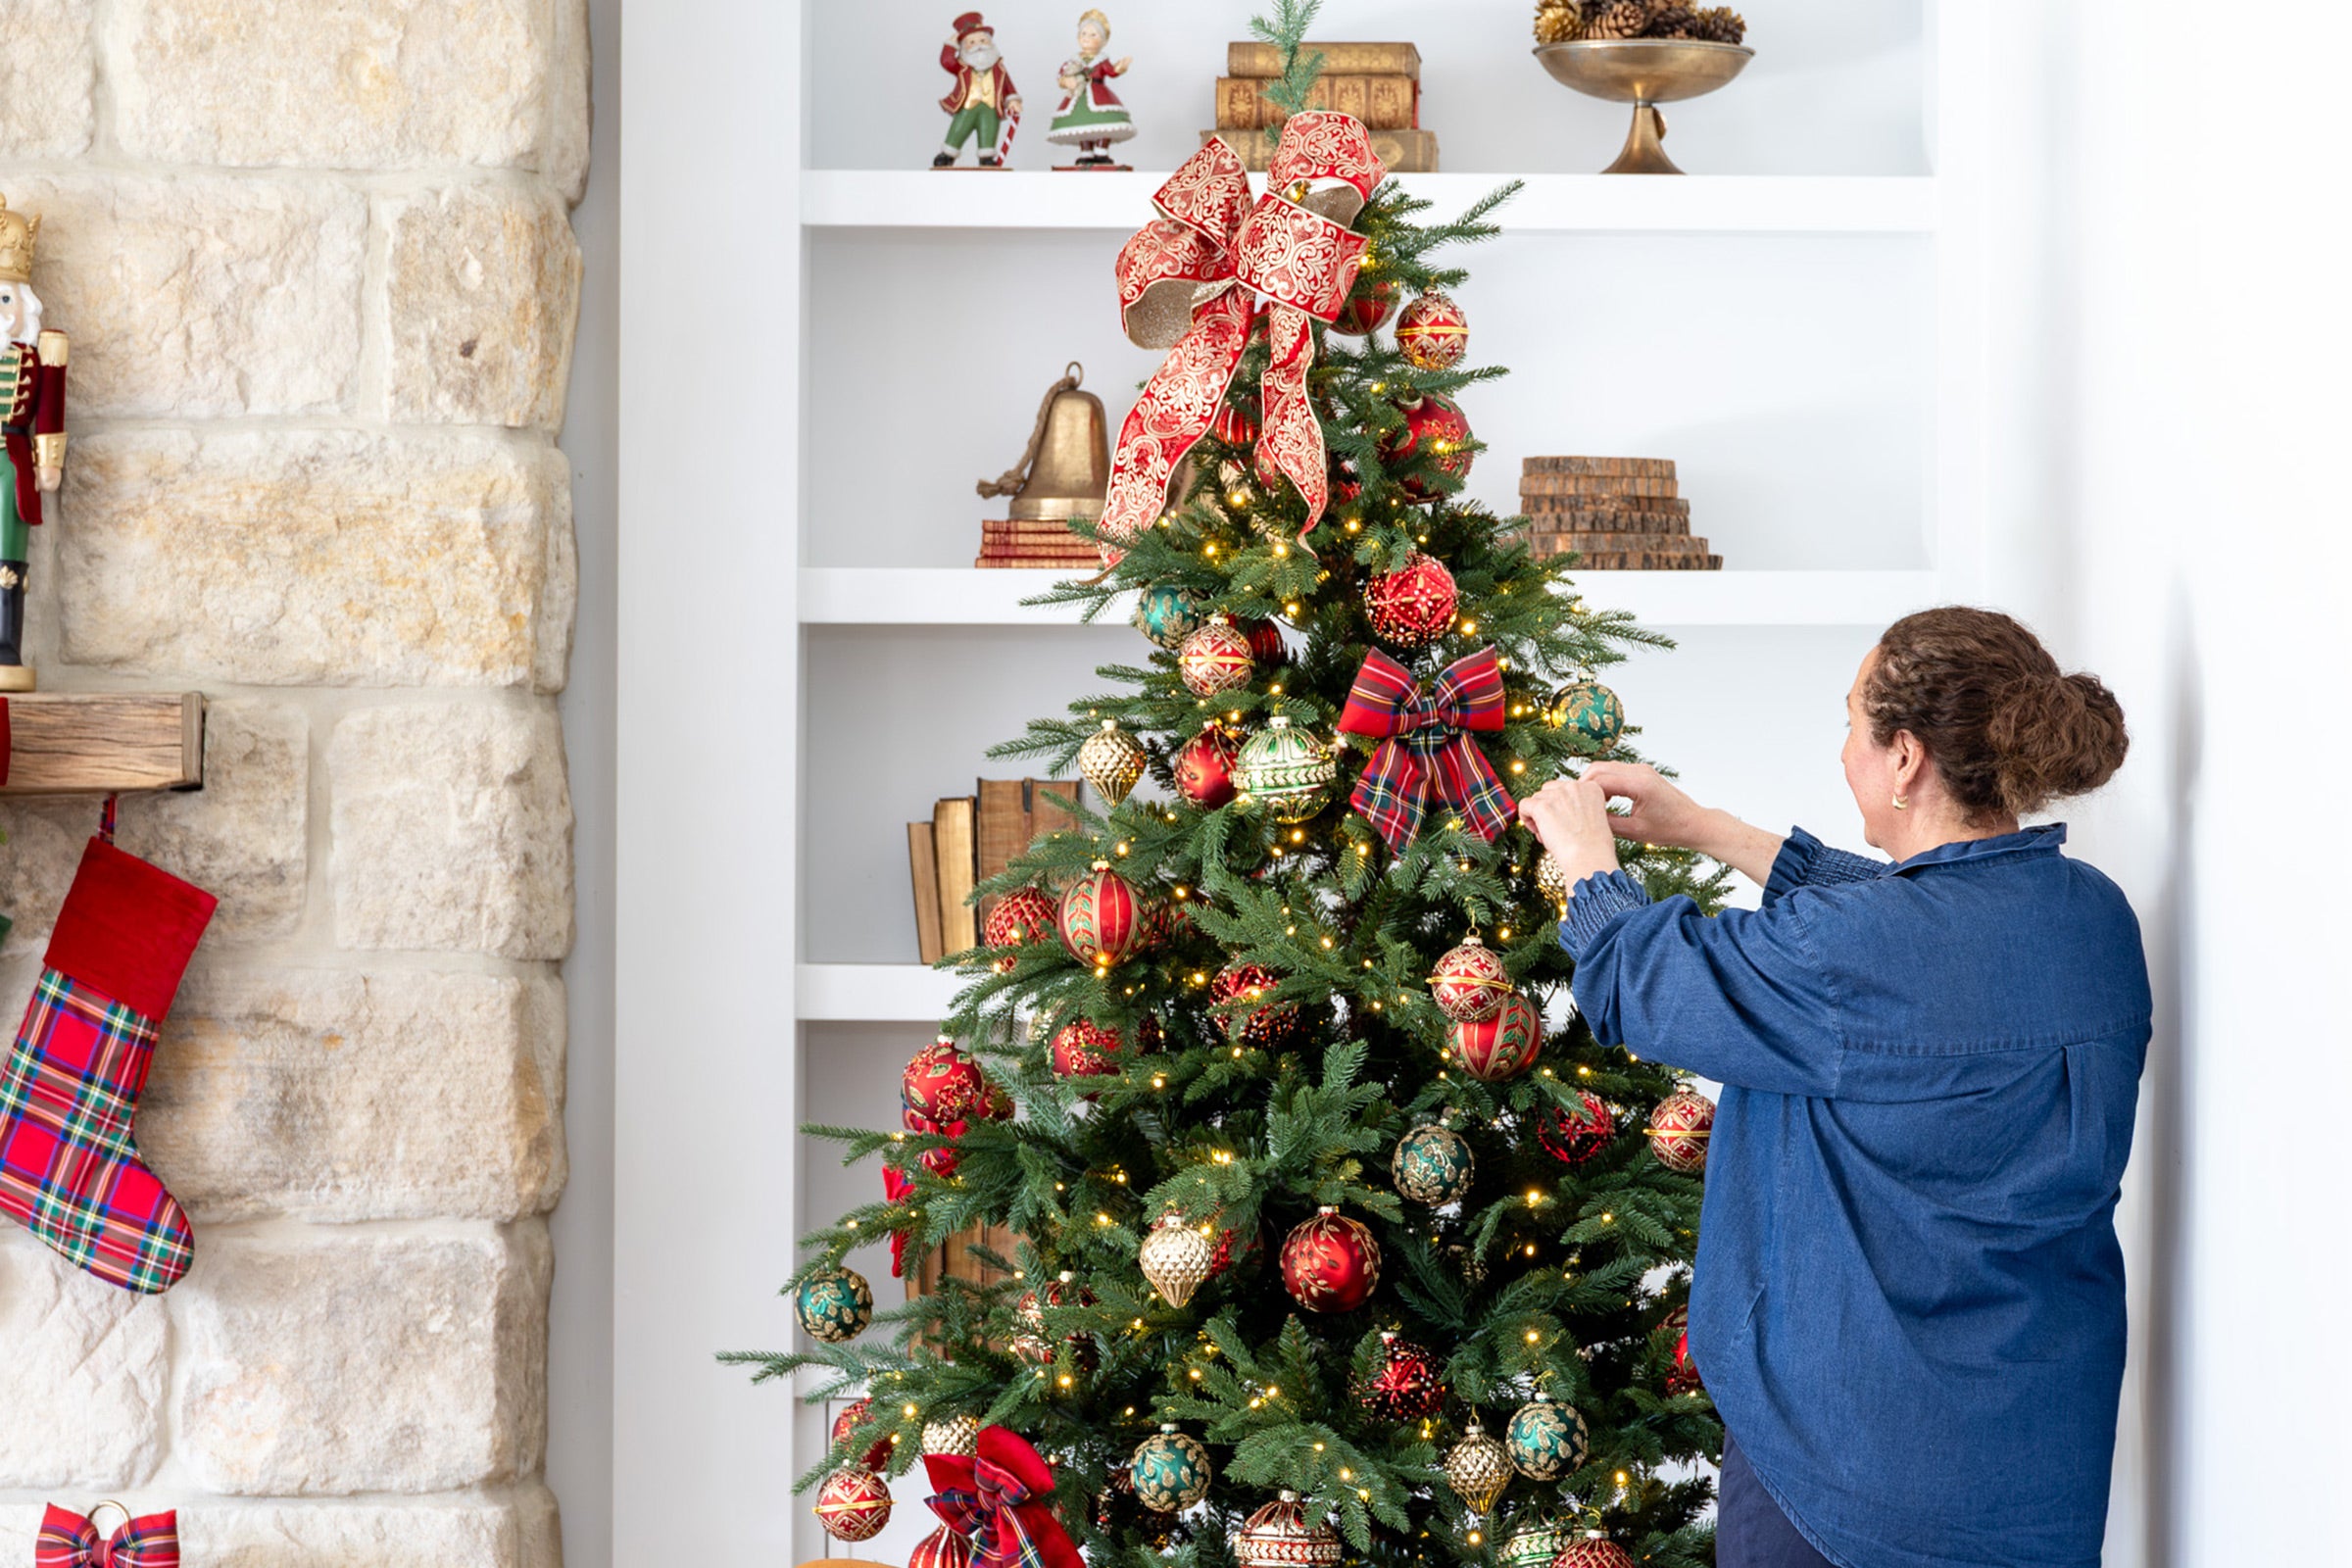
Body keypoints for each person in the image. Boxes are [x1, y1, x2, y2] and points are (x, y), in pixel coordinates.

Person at [1519, 607, 2147, 1568]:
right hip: (2037, 1467)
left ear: (1904, 757)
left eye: (1852, 722)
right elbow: (1929, 925)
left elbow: (1644, 983)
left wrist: (1586, 864)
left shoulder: (1857, 956)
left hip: (1845, 1480)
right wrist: (1710, 830)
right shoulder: (2092, 919)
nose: (1842, 751)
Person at [1046, 10, 1135, 169]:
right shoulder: (1074, 61)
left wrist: (1120, 67)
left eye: (1093, 35)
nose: (1087, 38)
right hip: (1078, 95)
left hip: (1099, 94)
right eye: (1084, 34)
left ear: (1103, 40)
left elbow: (1111, 71)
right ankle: (1085, 151)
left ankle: (1101, 151)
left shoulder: (1102, 60)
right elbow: (1061, 75)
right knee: (1081, 123)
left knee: (1103, 122)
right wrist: (1066, 81)